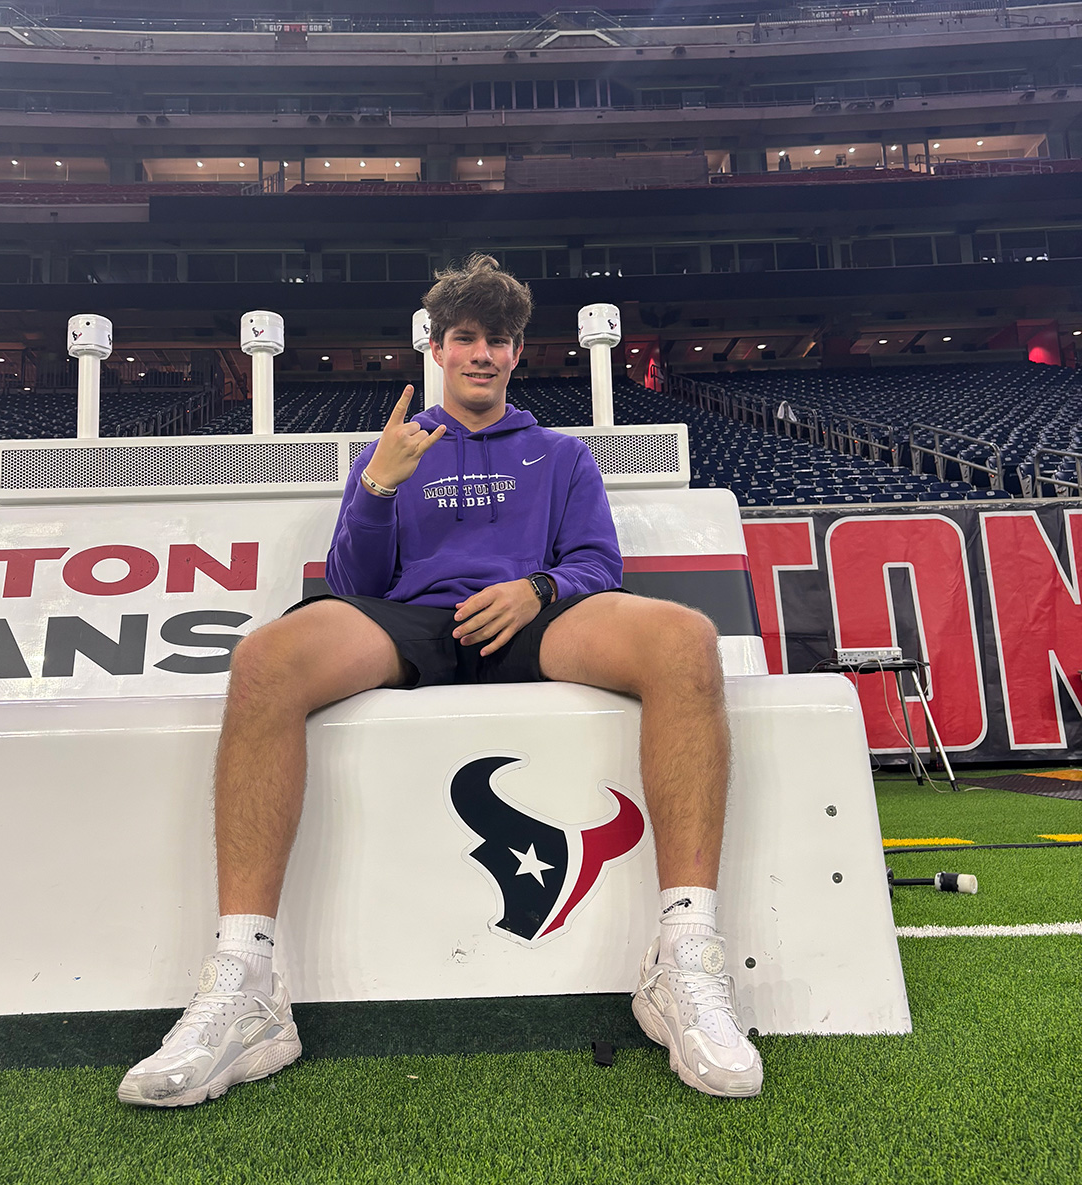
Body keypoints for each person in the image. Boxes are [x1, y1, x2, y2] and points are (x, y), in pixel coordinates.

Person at [118, 254, 762, 1107]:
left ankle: (684, 956)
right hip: (416, 622)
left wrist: (537, 588)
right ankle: (246, 979)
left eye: (499, 339)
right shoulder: (397, 446)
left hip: (533, 619)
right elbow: (354, 583)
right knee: (265, 658)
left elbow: (597, 564)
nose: (484, 353)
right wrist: (379, 483)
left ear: (518, 353)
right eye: (467, 337)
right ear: (437, 348)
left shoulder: (560, 456)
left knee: (684, 639)